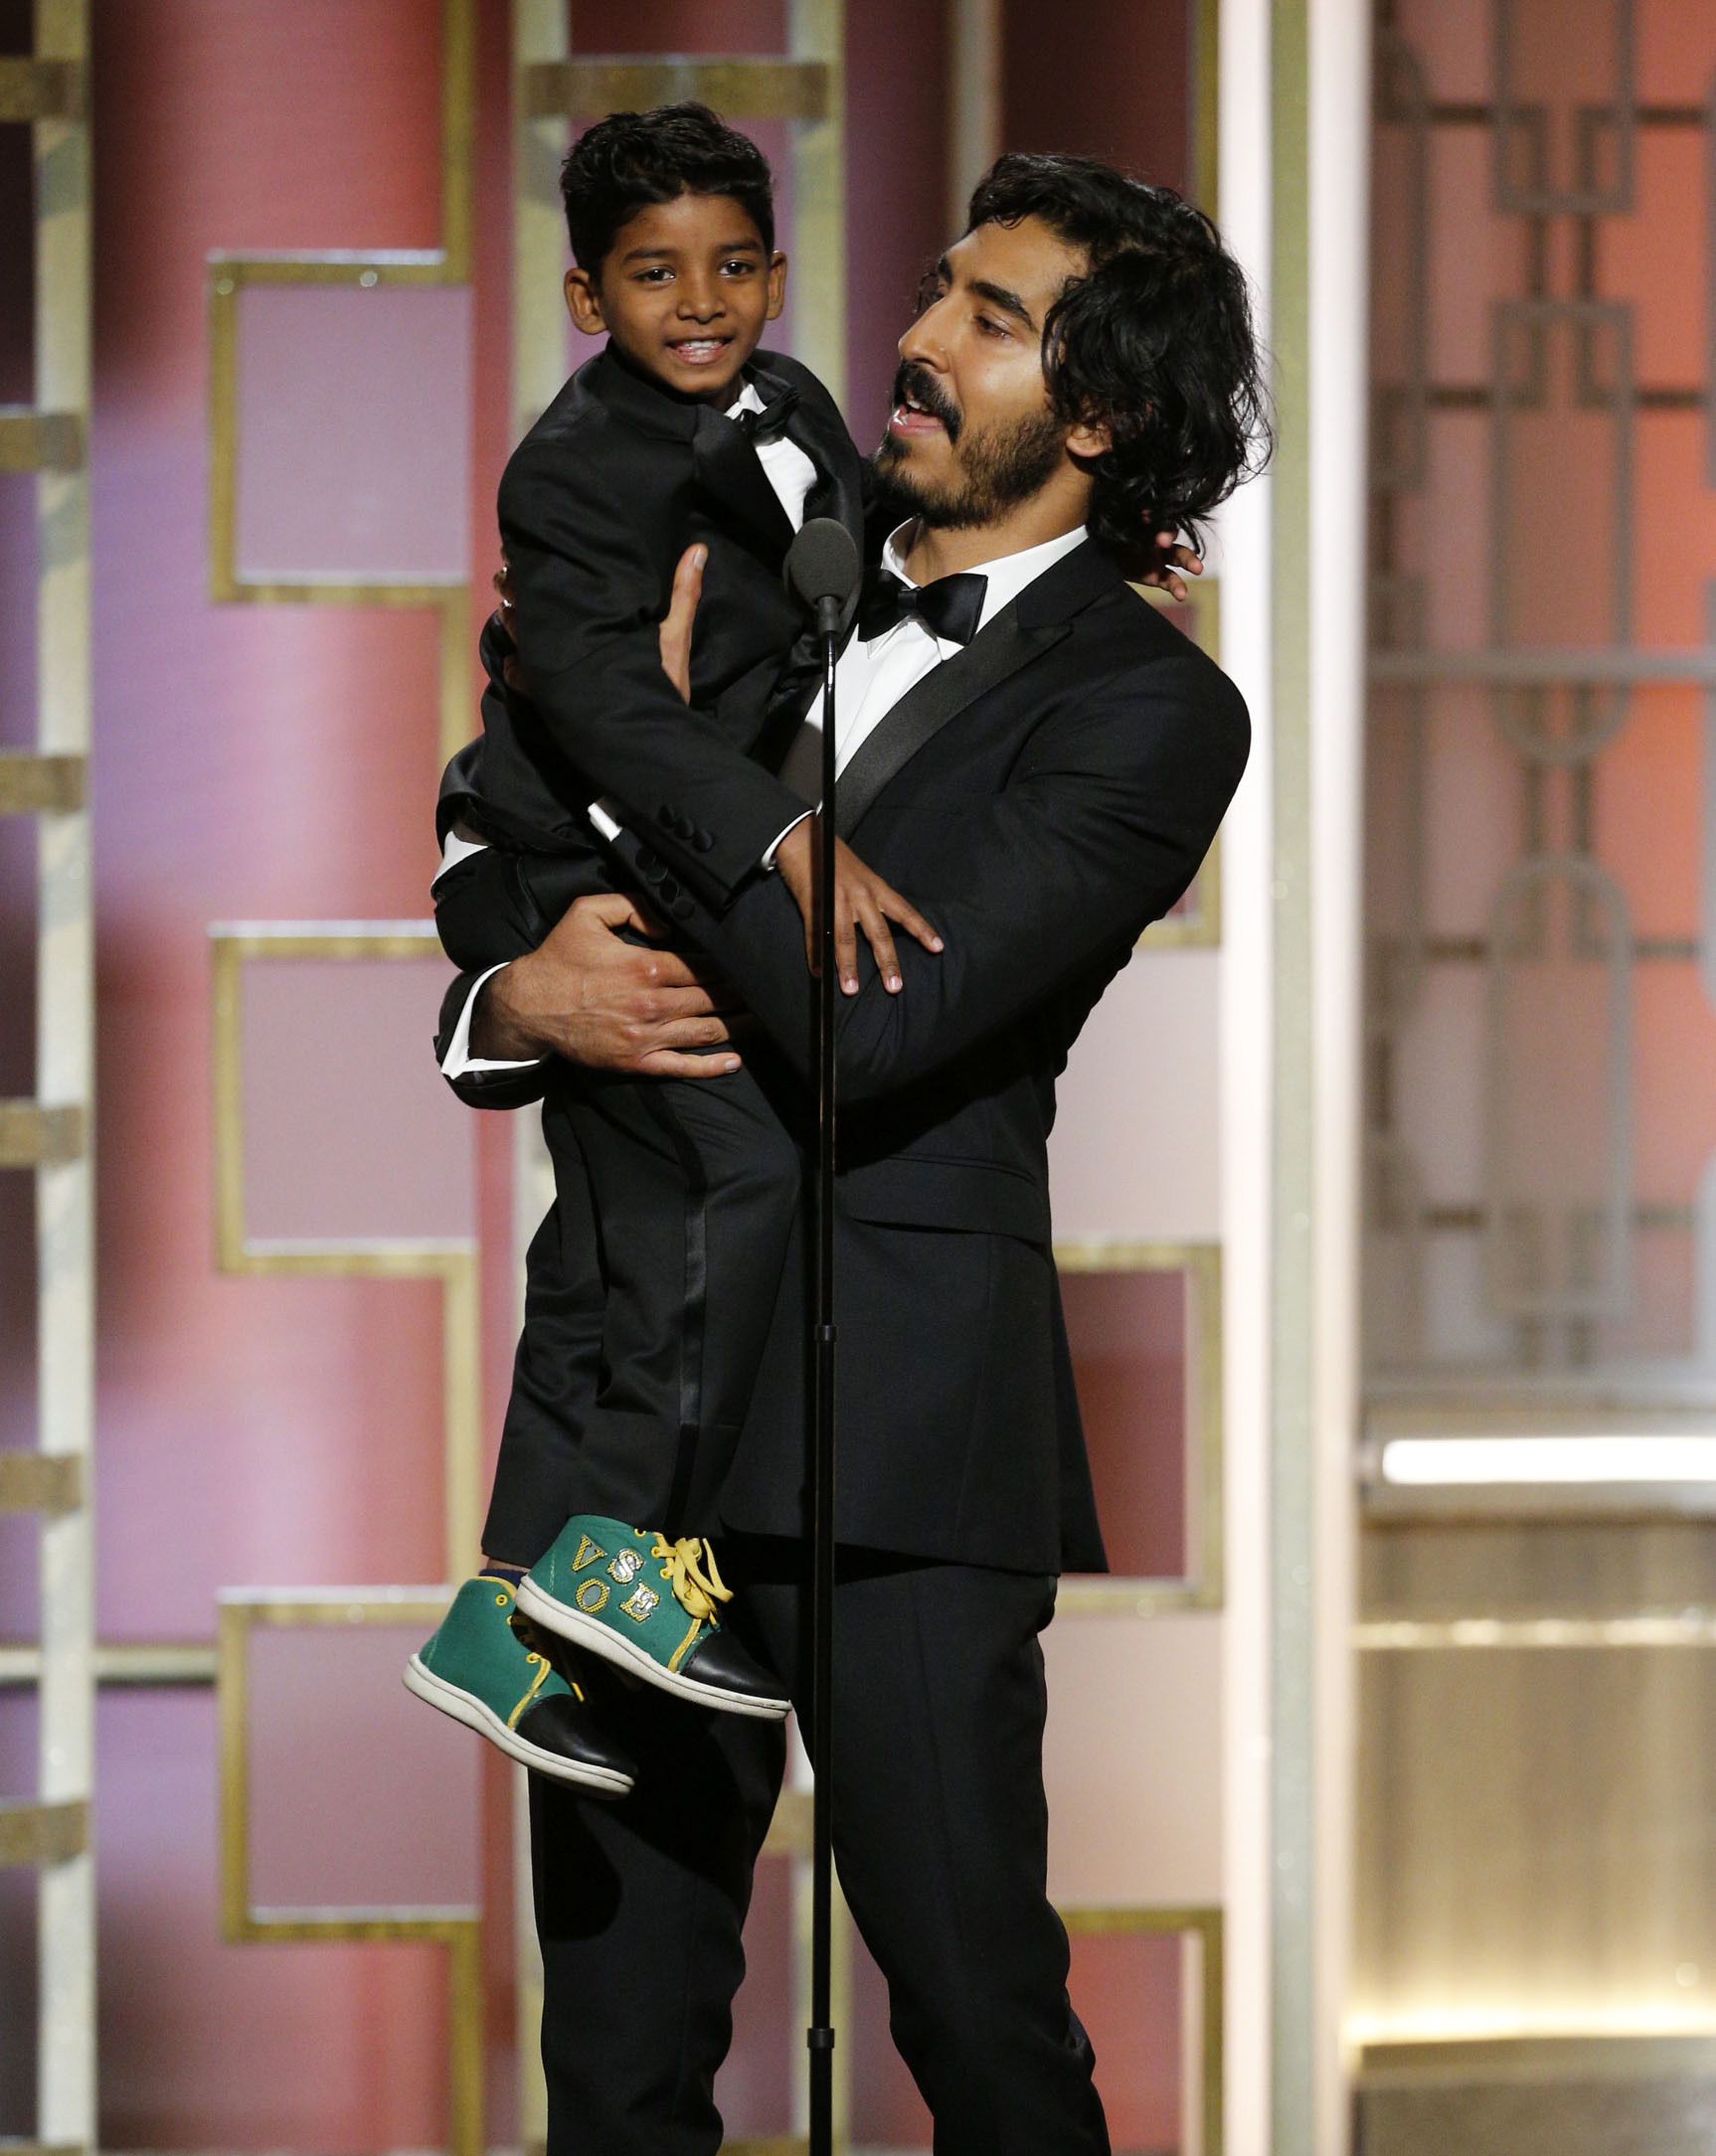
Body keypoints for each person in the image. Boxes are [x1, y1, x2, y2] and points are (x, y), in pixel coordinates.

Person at [440, 152, 1266, 2155]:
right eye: (930, 292)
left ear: (1096, 414)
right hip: (626, 1416)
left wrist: (656, 758)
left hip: (896, 1439)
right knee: (616, 2058)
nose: (904, 339)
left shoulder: (1150, 710)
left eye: (985, 317)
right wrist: (511, 1002)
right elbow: (506, 818)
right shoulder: (738, 545)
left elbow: (869, 1019)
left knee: (979, 2025)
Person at [407, 103, 944, 1783]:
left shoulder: (790, 404)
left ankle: (495, 1614)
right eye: (654, 274)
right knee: (735, 1171)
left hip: (665, 844)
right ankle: (611, 1554)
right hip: (564, 856)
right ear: (587, 296)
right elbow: (604, 706)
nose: (699, 302)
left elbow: (851, 583)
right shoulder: (570, 471)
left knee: (602, 1249)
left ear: (778, 275)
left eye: (730, 267)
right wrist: (781, 836)